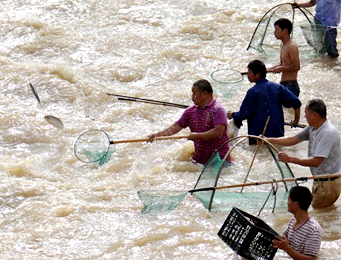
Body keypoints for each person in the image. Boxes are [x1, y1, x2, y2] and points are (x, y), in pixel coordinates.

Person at [266, 99, 341, 208]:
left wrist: (290, 159)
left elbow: (316, 161)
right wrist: (268, 140)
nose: (304, 116)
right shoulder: (312, 127)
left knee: (318, 213)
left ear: (314, 115)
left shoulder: (328, 133)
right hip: (320, 181)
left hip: (329, 183)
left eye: (306, 113)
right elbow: (292, 139)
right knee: (323, 214)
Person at [148, 79, 229, 165]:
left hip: (219, 160)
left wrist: (198, 136)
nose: (192, 96)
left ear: (204, 94)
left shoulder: (217, 110)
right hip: (200, 161)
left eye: (194, 93)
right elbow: (175, 127)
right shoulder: (190, 111)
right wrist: (157, 136)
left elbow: (218, 132)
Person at [227, 60, 302, 145]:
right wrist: (296, 120)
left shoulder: (253, 92)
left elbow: (243, 114)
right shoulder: (278, 88)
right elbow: (296, 103)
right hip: (278, 136)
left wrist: (232, 115)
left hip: (258, 137)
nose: (248, 75)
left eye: (250, 72)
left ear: (257, 74)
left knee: (259, 154)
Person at [273, 186, 322, 260]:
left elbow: (311, 259)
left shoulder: (313, 230)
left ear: (296, 204)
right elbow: (285, 236)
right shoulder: (293, 220)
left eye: (288, 200)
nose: (287, 203)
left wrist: (286, 248)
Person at [268, 18, 301, 97]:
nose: (274, 32)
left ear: (285, 31)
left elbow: (296, 66)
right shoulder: (283, 45)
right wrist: (267, 69)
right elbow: (282, 63)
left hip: (291, 85)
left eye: (277, 29)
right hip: (283, 84)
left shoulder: (291, 46)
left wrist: (282, 69)